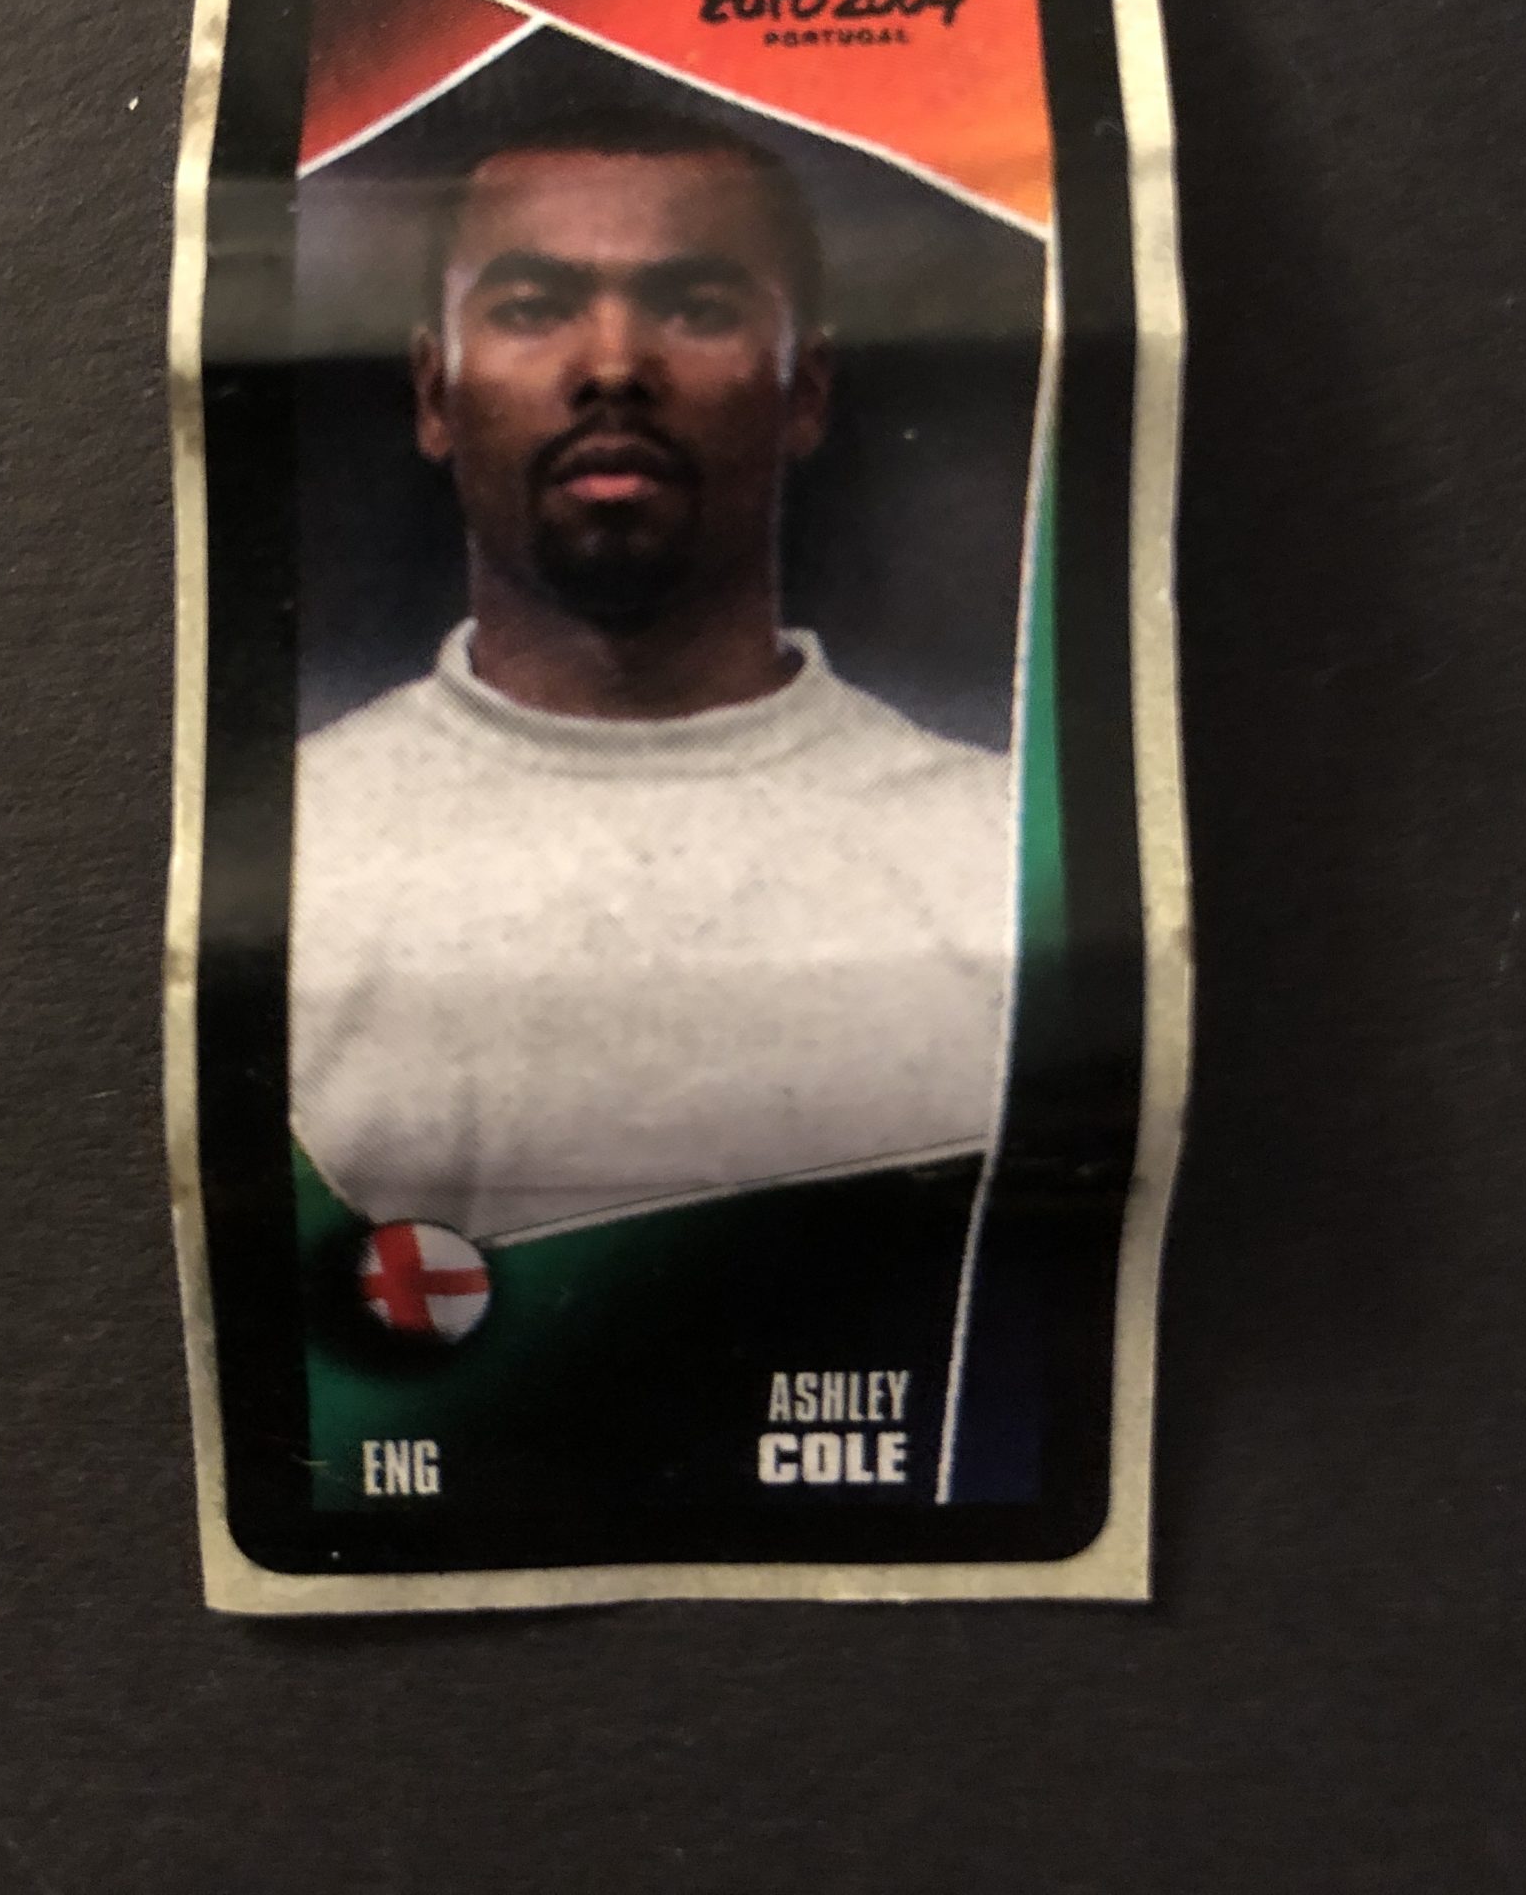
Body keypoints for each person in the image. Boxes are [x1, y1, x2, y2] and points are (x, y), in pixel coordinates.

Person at [290, 103, 1017, 1244]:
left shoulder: (1001, 855)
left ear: (806, 392)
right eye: (534, 308)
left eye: (696, 308)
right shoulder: (290, 847)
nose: (615, 367)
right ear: (435, 394)